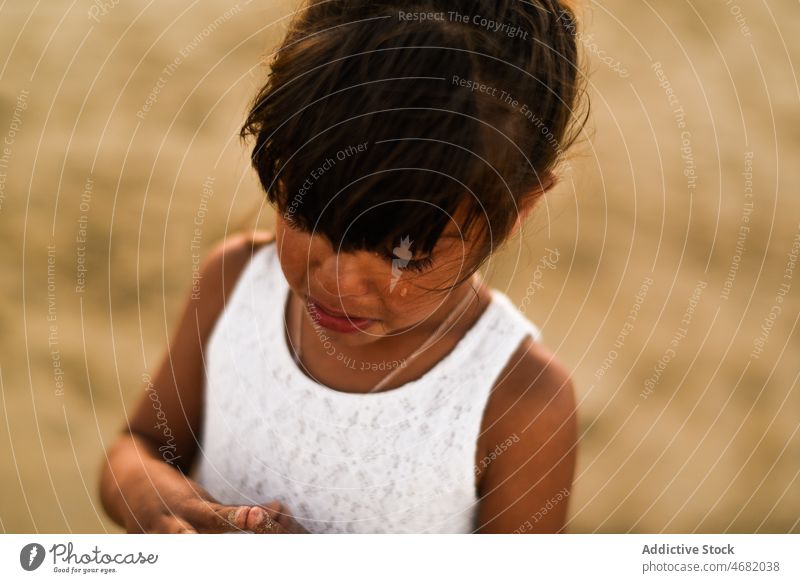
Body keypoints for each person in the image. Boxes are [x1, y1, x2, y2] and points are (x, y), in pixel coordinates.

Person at [99, 0, 587, 534]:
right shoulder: (234, 284)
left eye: (405, 253)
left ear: (517, 209)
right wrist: (165, 508)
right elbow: (139, 446)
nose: (337, 281)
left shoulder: (519, 402)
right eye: (306, 218)